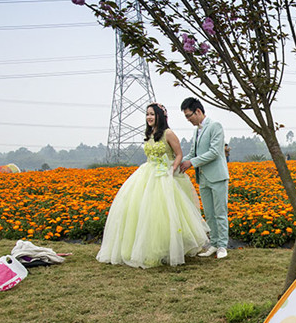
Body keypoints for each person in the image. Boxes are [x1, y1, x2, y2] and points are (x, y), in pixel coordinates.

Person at [97, 103, 210, 268]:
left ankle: (169, 248)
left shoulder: (168, 133)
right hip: (147, 173)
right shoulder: (149, 133)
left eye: (152, 114)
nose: (149, 117)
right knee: (142, 212)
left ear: (160, 116)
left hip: (165, 175)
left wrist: (172, 169)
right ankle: (145, 248)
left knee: (165, 213)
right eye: (147, 114)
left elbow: (178, 154)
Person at [180, 97, 230, 258]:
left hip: (217, 177)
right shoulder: (196, 131)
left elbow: (214, 152)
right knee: (209, 213)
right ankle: (214, 244)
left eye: (189, 116)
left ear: (198, 111)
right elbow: (193, 153)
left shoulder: (215, 126)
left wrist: (191, 163)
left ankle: (222, 245)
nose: (188, 120)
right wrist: (178, 162)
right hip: (203, 177)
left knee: (220, 212)